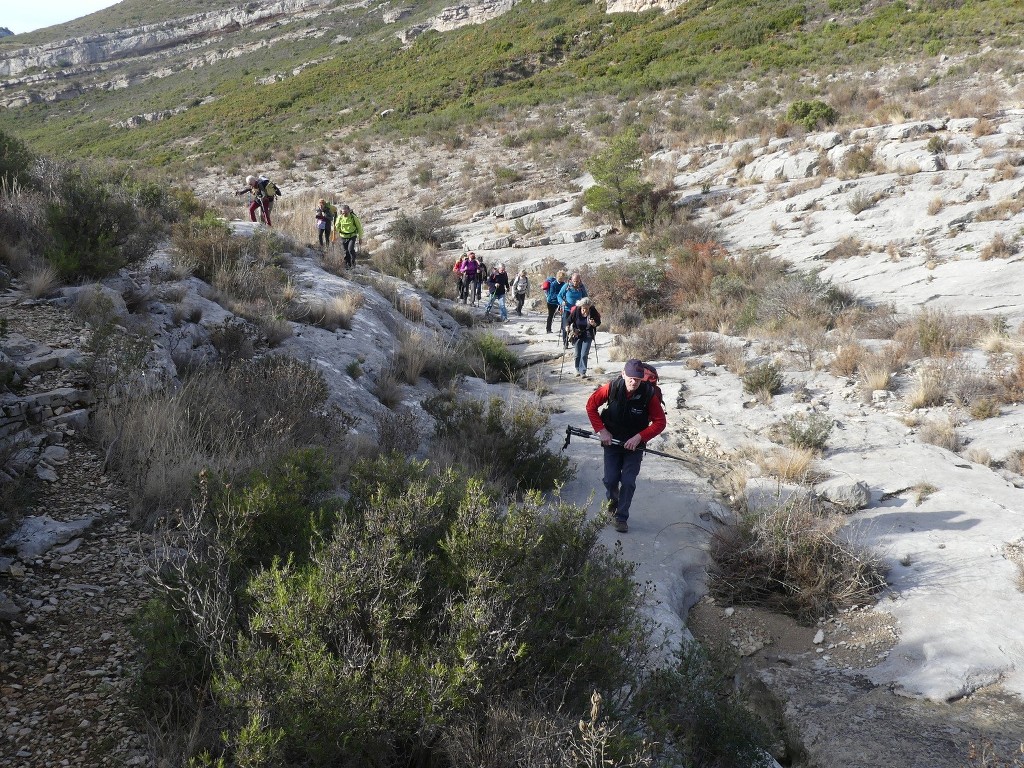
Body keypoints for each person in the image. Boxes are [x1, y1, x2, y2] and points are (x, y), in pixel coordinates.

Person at [585, 359, 667, 534]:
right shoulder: (611, 388)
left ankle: (622, 518)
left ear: (641, 379)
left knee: (628, 482)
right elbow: (591, 406)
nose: (633, 382)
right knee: (610, 480)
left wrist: (640, 437)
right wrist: (602, 431)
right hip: (612, 442)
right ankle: (612, 503)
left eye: (637, 379)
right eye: (630, 378)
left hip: (635, 446)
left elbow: (660, 422)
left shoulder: (648, 394)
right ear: (623, 374)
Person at [567, 297, 601, 378]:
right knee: (577, 354)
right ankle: (577, 369)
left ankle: (583, 372)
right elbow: (569, 320)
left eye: (586, 308)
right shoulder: (577, 310)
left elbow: (598, 322)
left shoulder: (593, 311)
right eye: (583, 308)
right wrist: (567, 326)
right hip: (577, 333)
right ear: (581, 306)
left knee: (584, 353)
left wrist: (594, 324)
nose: (584, 310)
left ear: (589, 307)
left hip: (588, 334)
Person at [557, 272, 588, 348]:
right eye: (574, 281)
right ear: (571, 280)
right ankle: (565, 343)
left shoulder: (581, 287)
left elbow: (585, 297)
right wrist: (562, 302)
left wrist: (584, 305)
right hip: (567, 309)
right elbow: (559, 296)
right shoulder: (566, 286)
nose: (575, 283)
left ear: (579, 280)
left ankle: (575, 340)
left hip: (577, 310)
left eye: (577, 281)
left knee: (577, 327)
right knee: (565, 326)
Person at [544, 270, 567, 334]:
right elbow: (552, 295)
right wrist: (560, 296)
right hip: (551, 302)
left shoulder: (564, 284)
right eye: (561, 278)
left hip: (560, 302)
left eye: (562, 278)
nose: (562, 279)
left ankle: (563, 328)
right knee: (551, 315)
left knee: (563, 315)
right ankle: (548, 329)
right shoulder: (553, 284)